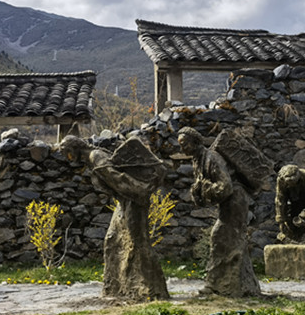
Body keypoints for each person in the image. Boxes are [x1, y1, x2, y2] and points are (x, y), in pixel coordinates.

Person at [61, 135, 168, 300]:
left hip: (132, 199)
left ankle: (149, 288)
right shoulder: (92, 158)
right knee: (113, 239)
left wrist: (140, 192)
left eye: (67, 152)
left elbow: (118, 178)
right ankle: (118, 287)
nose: (67, 157)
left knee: (137, 242)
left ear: (74, 148)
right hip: (125, 200)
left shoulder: (96, 157)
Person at [179, 127, 265, 297]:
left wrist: (205, 187)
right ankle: (240, 285)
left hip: (236, 200)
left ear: (195, 142)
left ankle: (221, 284)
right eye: (181, 145)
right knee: (232, 240)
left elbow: (225, 186)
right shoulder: (198, 160)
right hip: (228, 202)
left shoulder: (212, 158)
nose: (183, 149)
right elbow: (203, 188)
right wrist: (198, 190)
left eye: (185, 144)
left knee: (221, 236)